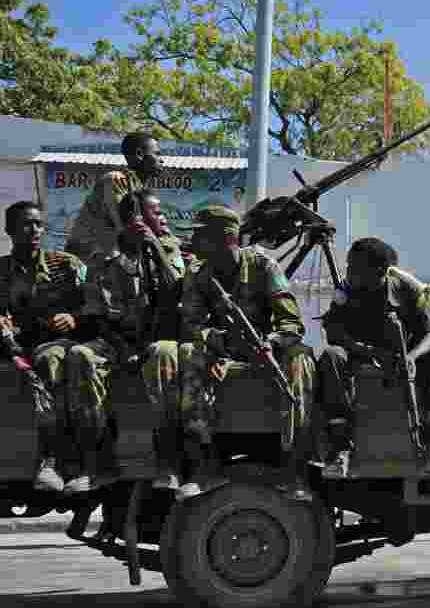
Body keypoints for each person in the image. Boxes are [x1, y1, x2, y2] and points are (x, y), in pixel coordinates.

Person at [178, 206, 316, 501]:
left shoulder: (264, 266)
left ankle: (295, 468)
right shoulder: (198, 274)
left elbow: (292, 322)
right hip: (223, 351)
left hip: (265, 350)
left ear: (228, 238)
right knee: (191, 353)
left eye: (203, 236)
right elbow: (191, 325)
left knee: (301, 358)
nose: (196, 243)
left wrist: (273, 343)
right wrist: (220, 340)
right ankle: (203, 465)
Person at [69, 189, 187, 493]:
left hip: (159, 339)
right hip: (117, 339)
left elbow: (178, 293)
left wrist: (155, 248)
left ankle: (167, 459)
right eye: (154, 212)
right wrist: (122, 349)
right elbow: (96, 315)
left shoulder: (171, 248)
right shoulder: (103, 259)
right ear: (132, 219)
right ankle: (101, 458)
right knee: (82, 355)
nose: (162, 218)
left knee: (163, 355)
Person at [318, 237, 430, 478]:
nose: (348, 271)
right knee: (331, 356)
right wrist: (366, 351)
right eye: (349, 265)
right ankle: (341, 447)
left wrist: (411, 357)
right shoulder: (345, 289)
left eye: (355, 267)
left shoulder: (409, 287)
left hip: (404, 356)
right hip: (360, 355)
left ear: (379, 271)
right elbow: (333, 331)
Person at [0, 201, 93, 492]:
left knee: (51, 359)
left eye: (39, 223)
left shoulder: (67, 265)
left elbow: (97, 310)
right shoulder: (1, 271)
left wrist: (74, 318)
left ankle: (54, 458)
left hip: (57, 347)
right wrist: (12, 350)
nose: (35, 230)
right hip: (15, 350)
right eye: (27, 224)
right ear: (9, 230)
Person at [64, 132, 164, 262]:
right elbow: (129, 228)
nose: (161, 159)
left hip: (108, 255)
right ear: (139, 154)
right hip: (87, 257)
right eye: (156, 154)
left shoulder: (138, 188)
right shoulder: (116, 180)